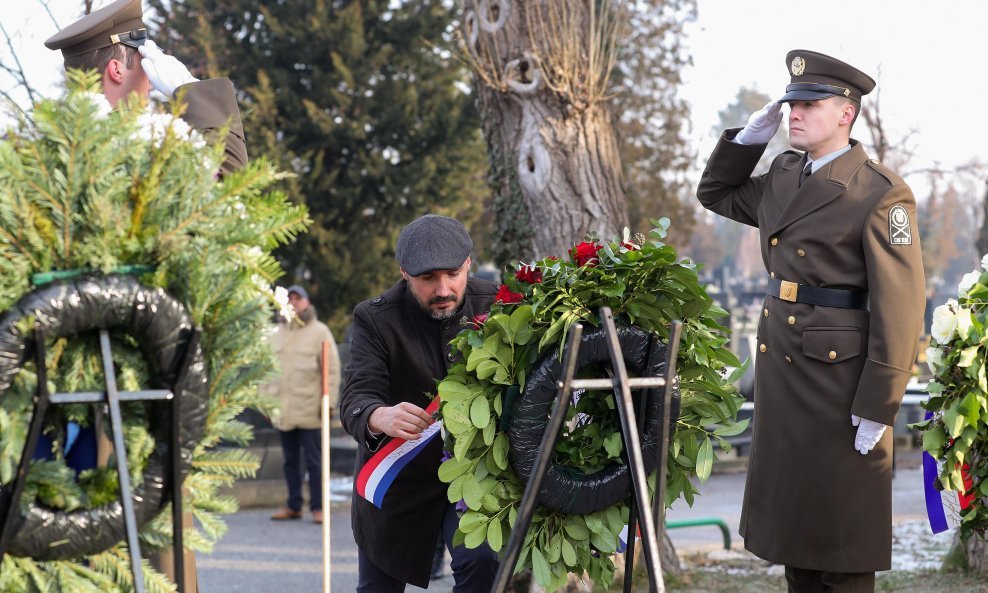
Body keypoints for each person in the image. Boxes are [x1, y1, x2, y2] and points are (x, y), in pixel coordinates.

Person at [696, 50, 926, 593]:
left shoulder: (880, 191)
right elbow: (716, 193)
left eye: (809, 104)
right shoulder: (782, 172)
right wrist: (746, 142)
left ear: (846, 113)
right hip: (784, 371)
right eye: (790, 103)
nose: (792, 114)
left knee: (841, 539)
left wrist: (880, 405)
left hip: (838, 382)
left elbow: (902, 304)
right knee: (798, 535)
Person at [340, 214, 499, 592]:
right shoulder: (374, 318)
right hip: (398, 476)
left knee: (481, 563)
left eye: (453, 274)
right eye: (428, 279)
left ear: (468, 266)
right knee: (380, 586)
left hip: (473, 473)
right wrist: (380, 415)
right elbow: (355, 397)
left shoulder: (498, 306)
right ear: (404, 274)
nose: (443, 289)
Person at [44, 0, 247, 176]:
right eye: (145, 62)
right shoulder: (144, 144)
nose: (151, 80)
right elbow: (230, 180)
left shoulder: (55, 146)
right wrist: (192, 91)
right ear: (117, 70)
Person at [268, 285, 340, 524]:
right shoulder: (275, 333)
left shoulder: (320, 332)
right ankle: (294, 504)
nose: (294, 303)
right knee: (289, 460)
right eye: (290, 299)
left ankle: (319, 507)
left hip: (311, 408)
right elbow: (266, 370)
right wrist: (266, 403)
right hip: (284, 409)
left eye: (298, 299)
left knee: (315, 461)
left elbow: (331, 370)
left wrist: (329, 403)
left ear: (307, 302)